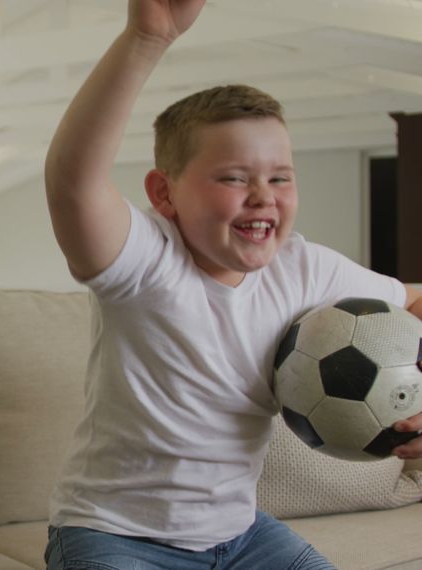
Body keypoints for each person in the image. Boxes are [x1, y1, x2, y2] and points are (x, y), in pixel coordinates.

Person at [42, 0, 422, 568]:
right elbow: (74, 180)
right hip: (114, 535)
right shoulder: (144, 262)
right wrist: (146, 39)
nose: (263, 195)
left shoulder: (306, 268)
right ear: (165, 194)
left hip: (241, 536)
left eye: (279, 177)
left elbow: (412, 302)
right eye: (234, 178)